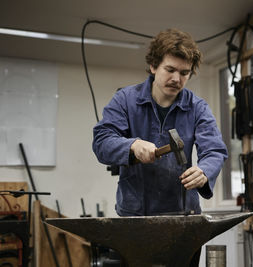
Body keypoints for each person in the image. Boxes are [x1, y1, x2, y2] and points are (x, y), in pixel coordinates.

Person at [92, 28, 228, 266]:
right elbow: (101, 142)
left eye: (184, 73)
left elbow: (215, 151)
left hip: (184, 221)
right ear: (154, 66)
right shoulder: (125, 100)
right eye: (170, 69)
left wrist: (204, 170)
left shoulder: (197, 108)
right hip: (135, 221)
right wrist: (131, 145)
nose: (177, 78)